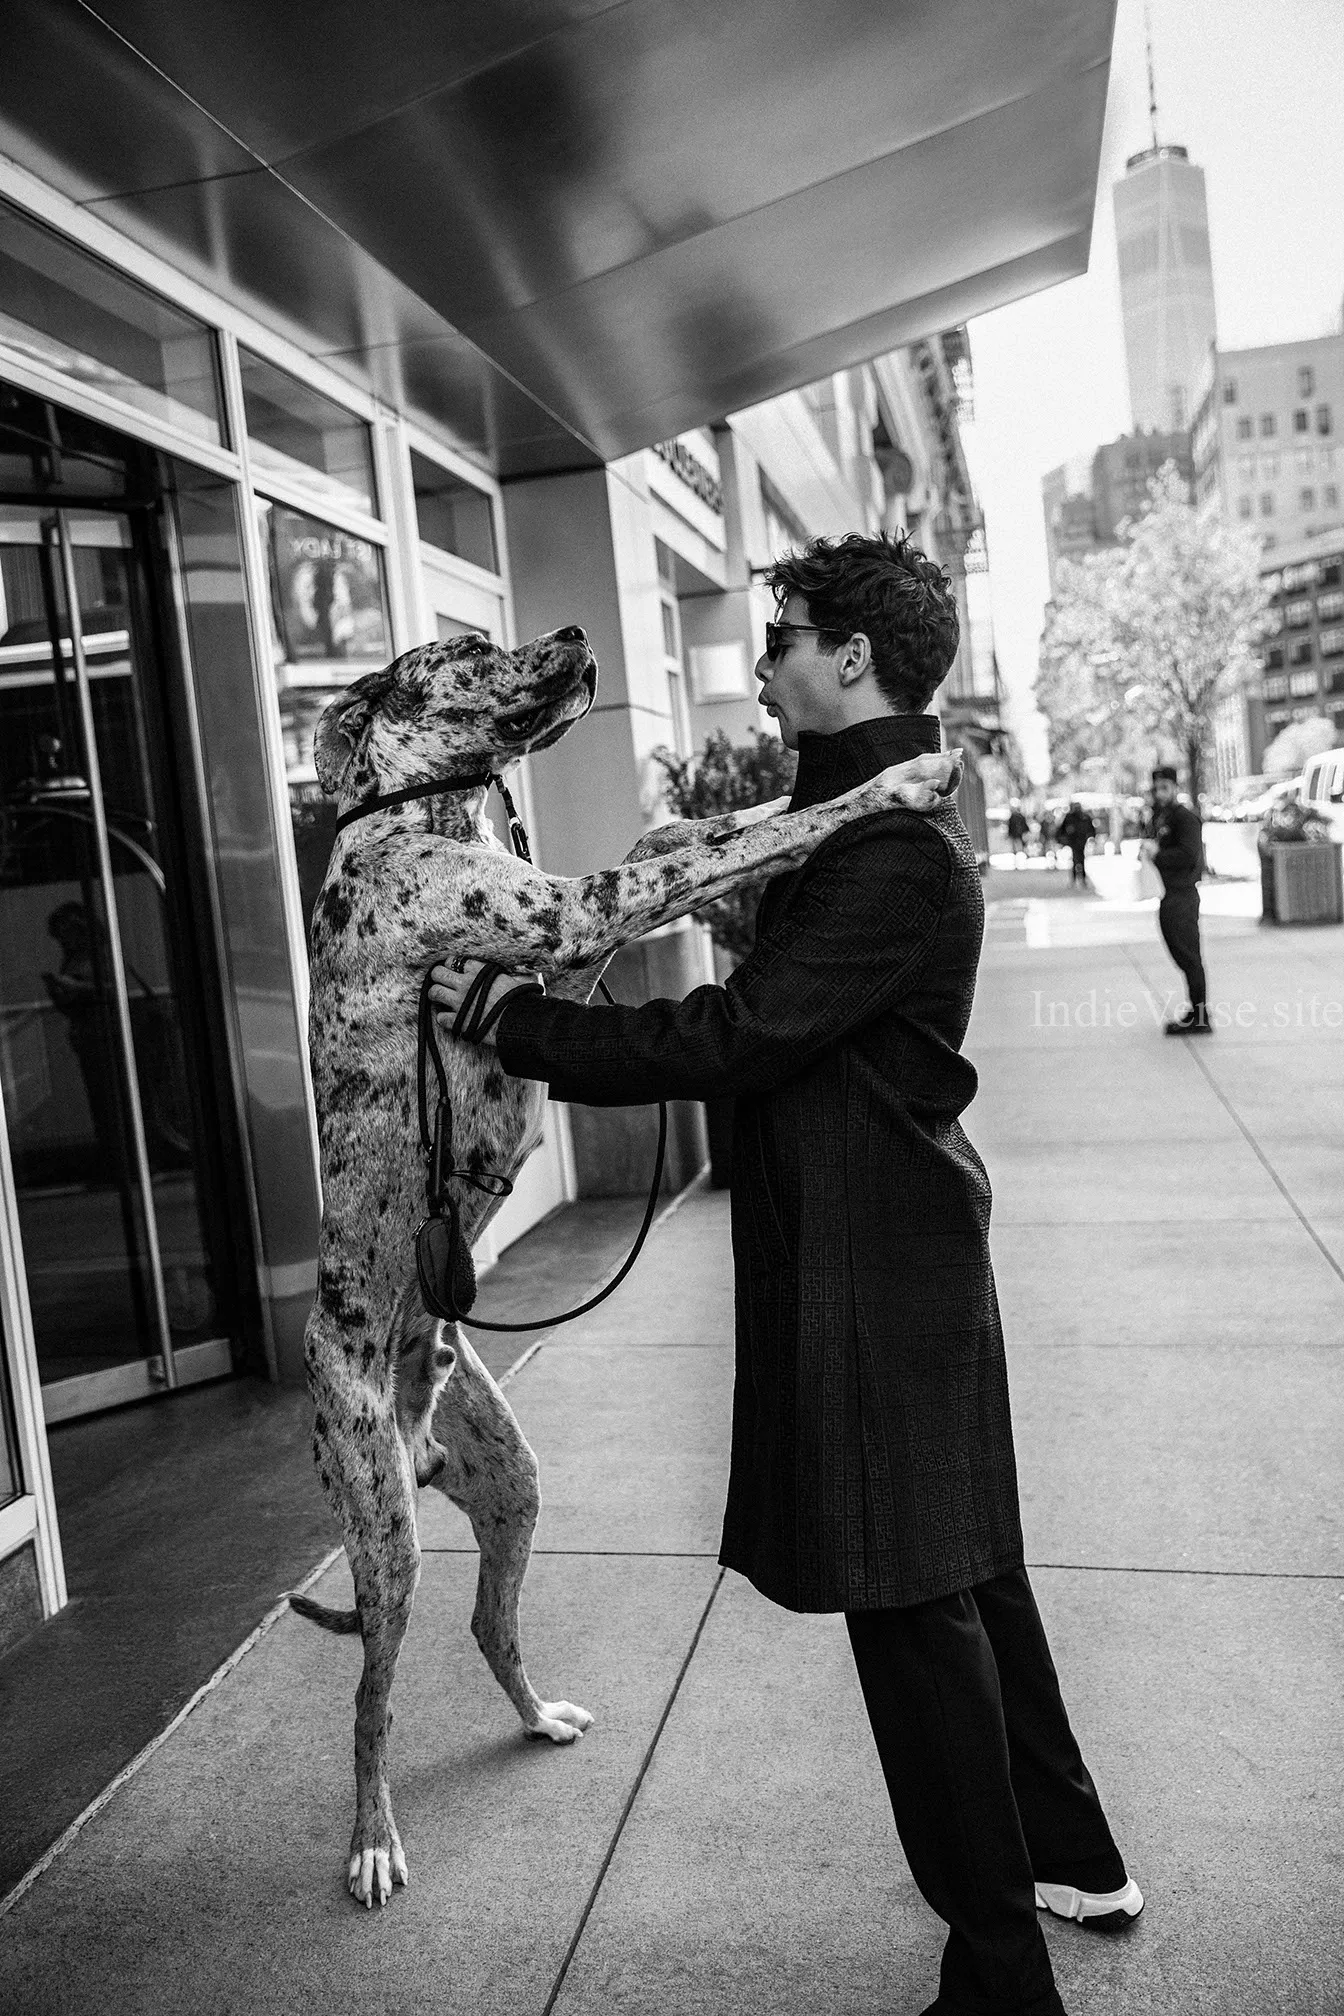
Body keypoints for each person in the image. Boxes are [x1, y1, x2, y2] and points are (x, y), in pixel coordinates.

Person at [432, 531, 1141, 2016]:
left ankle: (1002, 1975)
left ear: (854, 658)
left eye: (786, 639)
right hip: (894, 1246)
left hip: (873, 1264)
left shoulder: (886, 851)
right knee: (969, 1574)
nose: (762, 669)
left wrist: (520, 1023)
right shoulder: (865, 819)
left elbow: (739, 1034)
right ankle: (1076, 1859)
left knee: (912, 1603)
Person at [1141, 764, 1209, 1035]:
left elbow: (1188, 855)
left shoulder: (1185, 818)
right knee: (1181, 954)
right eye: (1156, 788)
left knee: (1189, 956)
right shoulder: (1161, 817)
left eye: (1165, 787)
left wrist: (1157, 854)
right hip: (1168, 894)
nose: (1160, 793)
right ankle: (1196, 1010)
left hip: (1183, 894)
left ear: (1175, 788)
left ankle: (1200, 1016)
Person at [1055, 801, 1095, 886]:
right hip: (1073, 841)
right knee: (1076, 859)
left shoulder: (1084, 817)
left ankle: (1080, 879)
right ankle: (1075, 879)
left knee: (1080, 859)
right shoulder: (1070, 817)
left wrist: (1090, 837)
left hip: (1081, 840)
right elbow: (1062, 829)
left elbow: (1090, 829)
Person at [1006, 800, 1031, 867]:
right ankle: (1018, 860)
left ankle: (1020, 860)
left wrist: (1026, 832)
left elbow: (1024, 825)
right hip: (1016, 834)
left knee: (1019, 847)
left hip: (1019, 834)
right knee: (1017, 847)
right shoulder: (1015, 817)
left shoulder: (1020, 816)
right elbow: (1010, 826)